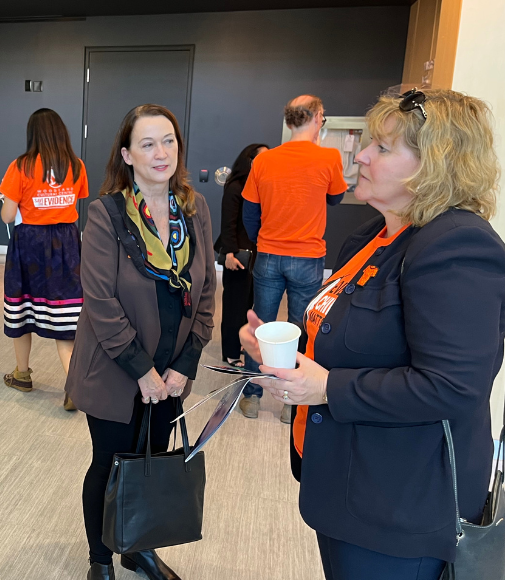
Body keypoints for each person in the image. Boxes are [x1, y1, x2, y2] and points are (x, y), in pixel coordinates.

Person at [244, 89, 505, 580]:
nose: (359, 155)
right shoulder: (370, 236)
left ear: (436, 164)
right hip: (349, 487)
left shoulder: (457, 246)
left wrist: (326, 387)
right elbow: (360, 335)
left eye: (382, 148)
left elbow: (452, 385)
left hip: (401, 508)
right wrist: (286, 345)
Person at [65, 104, 215, 580]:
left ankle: (138, 548)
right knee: (108, 464)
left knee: (151, 461)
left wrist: (185, 364)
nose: (161, 152)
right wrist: (141, 370)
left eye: (168, 140)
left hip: (172, 371)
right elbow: (100, 300)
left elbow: (207, 287)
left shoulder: (194, 208)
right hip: (114, 369)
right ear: (127, 155)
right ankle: (99, 559)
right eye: (147, 143)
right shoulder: (106, 213)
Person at [240, 94, 348, 423]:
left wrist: (262, 240)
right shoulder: (329, 157)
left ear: (289, 122)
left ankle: (251, 397)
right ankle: (292, 403)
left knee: (260, 325)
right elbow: (337, 197)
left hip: (269, 254)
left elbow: (249, 213)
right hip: (308, 257)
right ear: (317, 118)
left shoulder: (264, 160)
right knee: (302, 330)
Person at [0, 108, 89, 411]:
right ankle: (73, 383)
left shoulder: (20, 166)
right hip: (66, 243)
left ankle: (22, 374)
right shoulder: (77, 166)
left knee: (22, 306)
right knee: (64, 314)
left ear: (33, 134)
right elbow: (76, 202)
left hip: (30, 244)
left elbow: (8, 215)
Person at [213, 143, 268, 374]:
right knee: (235, 306)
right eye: (261, 158)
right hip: (238, 255)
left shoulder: (260, 186)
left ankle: (242, 345)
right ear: (249, 160)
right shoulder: (235, 186)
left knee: (248, 305)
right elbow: (228, 222)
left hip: (257, 256)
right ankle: (231, 352)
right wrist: (228, 253)